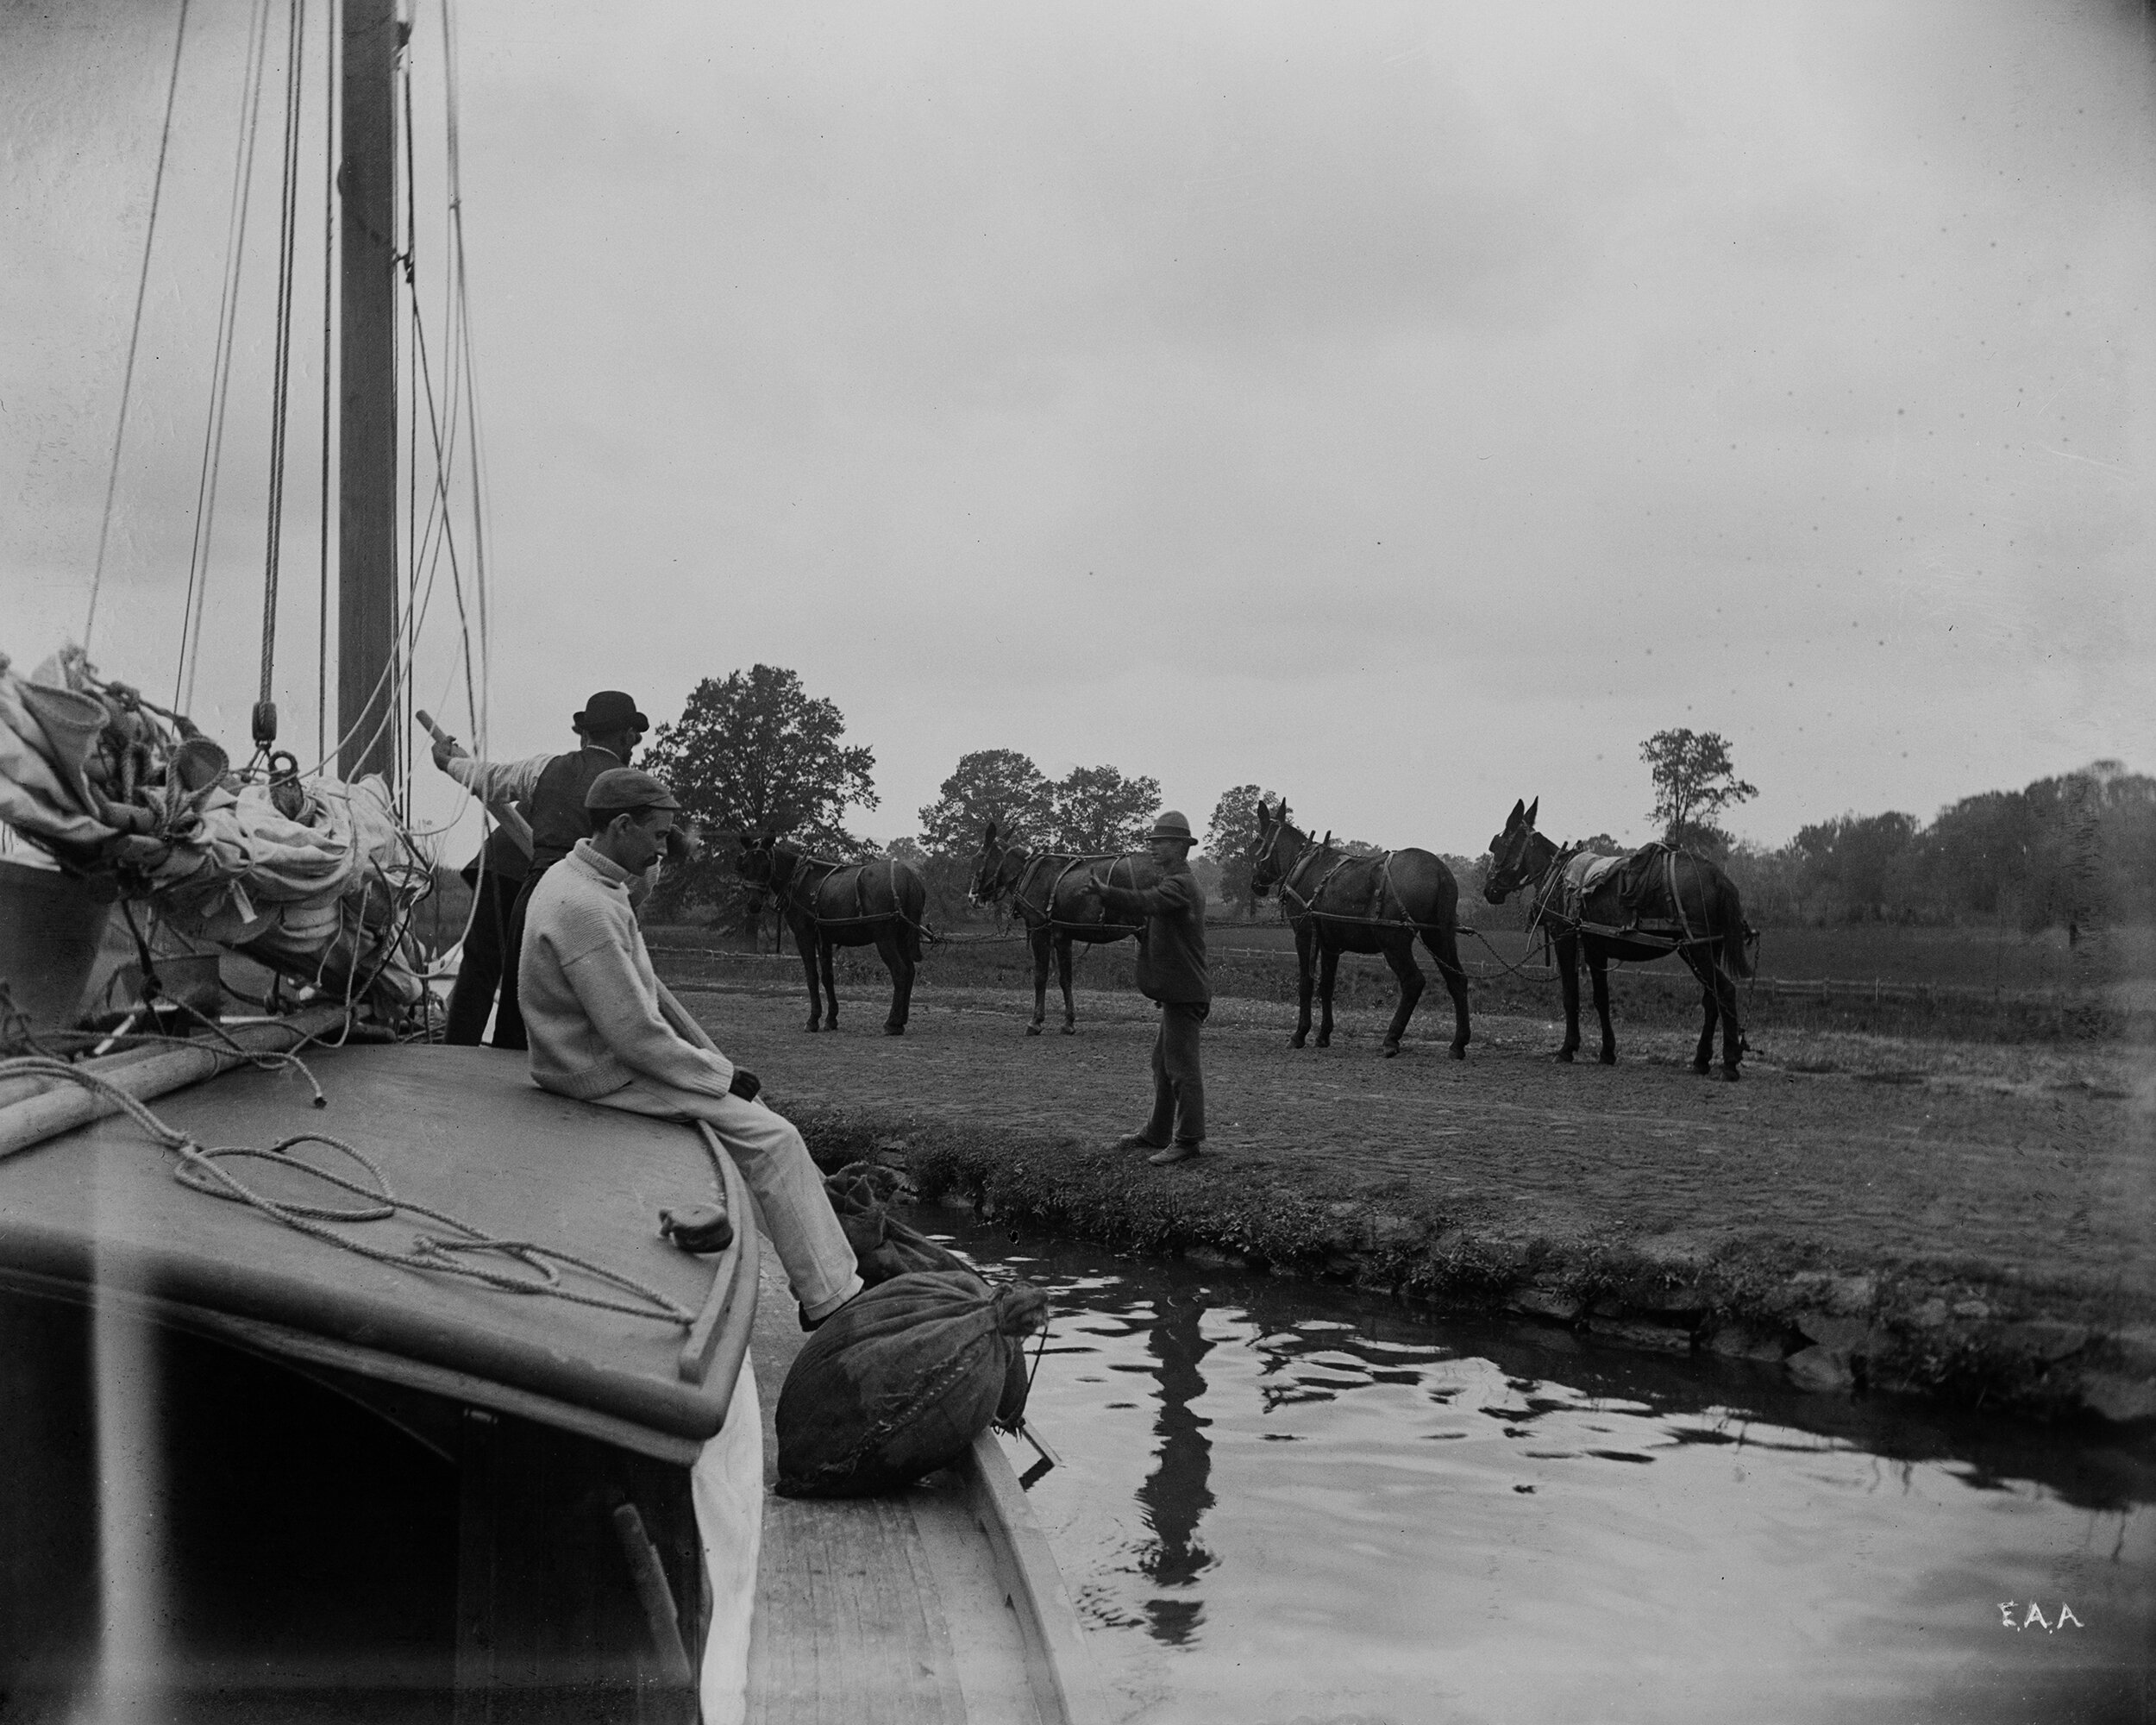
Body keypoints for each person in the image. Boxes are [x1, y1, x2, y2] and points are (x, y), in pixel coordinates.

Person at [518, 764, 862, 1328]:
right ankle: (831, 1300)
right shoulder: (588, 907)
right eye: (656, 836)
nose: (662, 849)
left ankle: (808, 1263)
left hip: (577, 1055)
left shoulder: (574, 878)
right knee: (775, 1137)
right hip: (596, 1071)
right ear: (622, 826)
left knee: (755, 1137)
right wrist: (719, 1075)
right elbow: (635, 1037)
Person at [433, 689, 648, 1050]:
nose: (633, 748)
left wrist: (448, 764)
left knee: (484, 971)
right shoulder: (630, 789)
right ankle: (508, 1059)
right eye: (634, 739)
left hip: (522, 881)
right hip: (554, 891)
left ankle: (455, 1056)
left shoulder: (546, 767)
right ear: (626, 736)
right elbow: (643, 873)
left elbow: (491, 777)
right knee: (530, 986)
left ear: (586, 734)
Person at [1095, 811, 1212, 1166]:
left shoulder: (1178, 886)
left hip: (1185, 993)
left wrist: (1107, 893)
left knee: (1180, 1067)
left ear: (1180, 847)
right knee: (1162, 1064)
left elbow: (1147, 901)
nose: (1154, 850)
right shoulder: (1175, 884)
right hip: (1177, 991)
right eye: (1152, 844)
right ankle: (1157, 1133)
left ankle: (1188, 1140)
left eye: (1160, 843)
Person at [441, 806, 532, 1045]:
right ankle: (506, 1052)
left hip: (498, 862)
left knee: (480, 967)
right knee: (522, 970)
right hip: (526, 870)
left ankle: (455, 1050)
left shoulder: (554, 772)